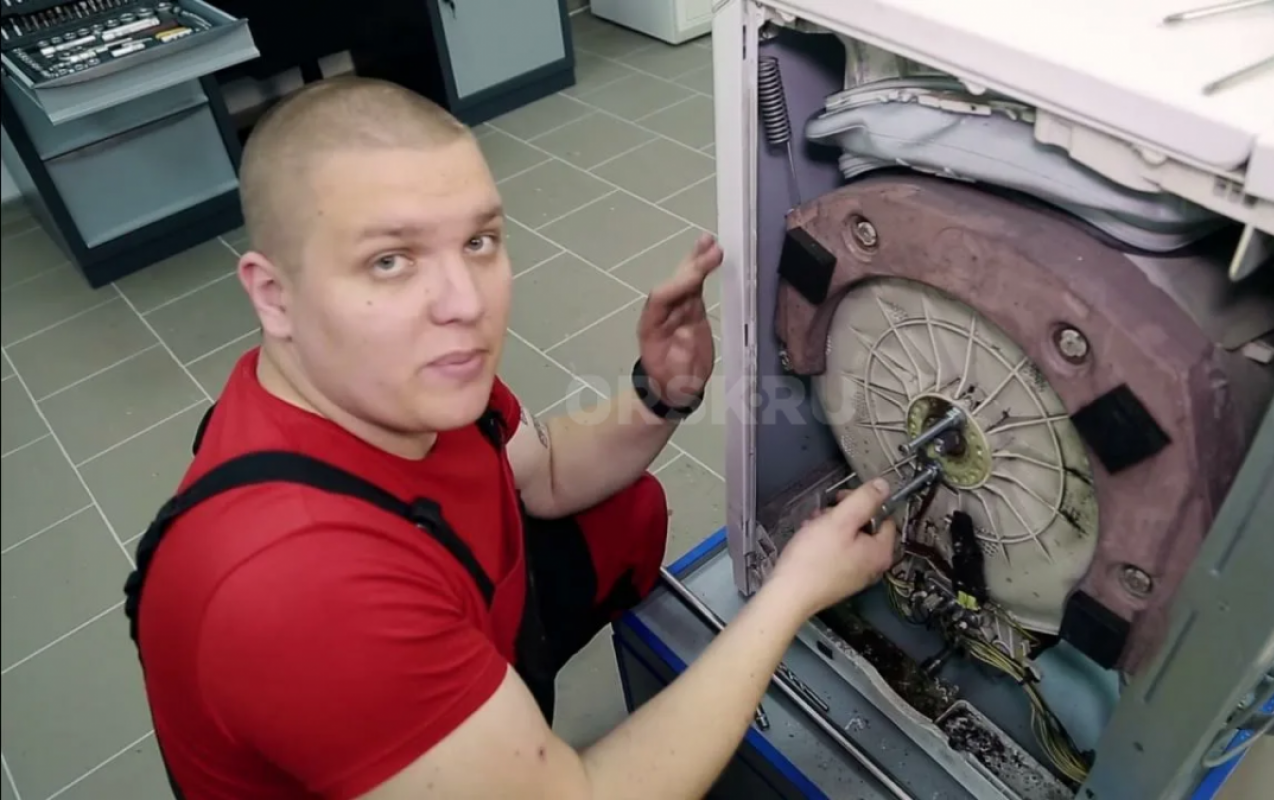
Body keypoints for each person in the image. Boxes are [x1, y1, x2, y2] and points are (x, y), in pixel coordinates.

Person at [122, 76, 897, 800]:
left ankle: (497, 714)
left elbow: (544, 469)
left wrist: (661, 393)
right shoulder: (301, 589)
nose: (463, 302)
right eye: (389, 261)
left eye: (479, 241)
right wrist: (793, 591)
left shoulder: (390, 383)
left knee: (628, 513)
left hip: (449, 600)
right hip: (373, 659)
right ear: (272, 295)